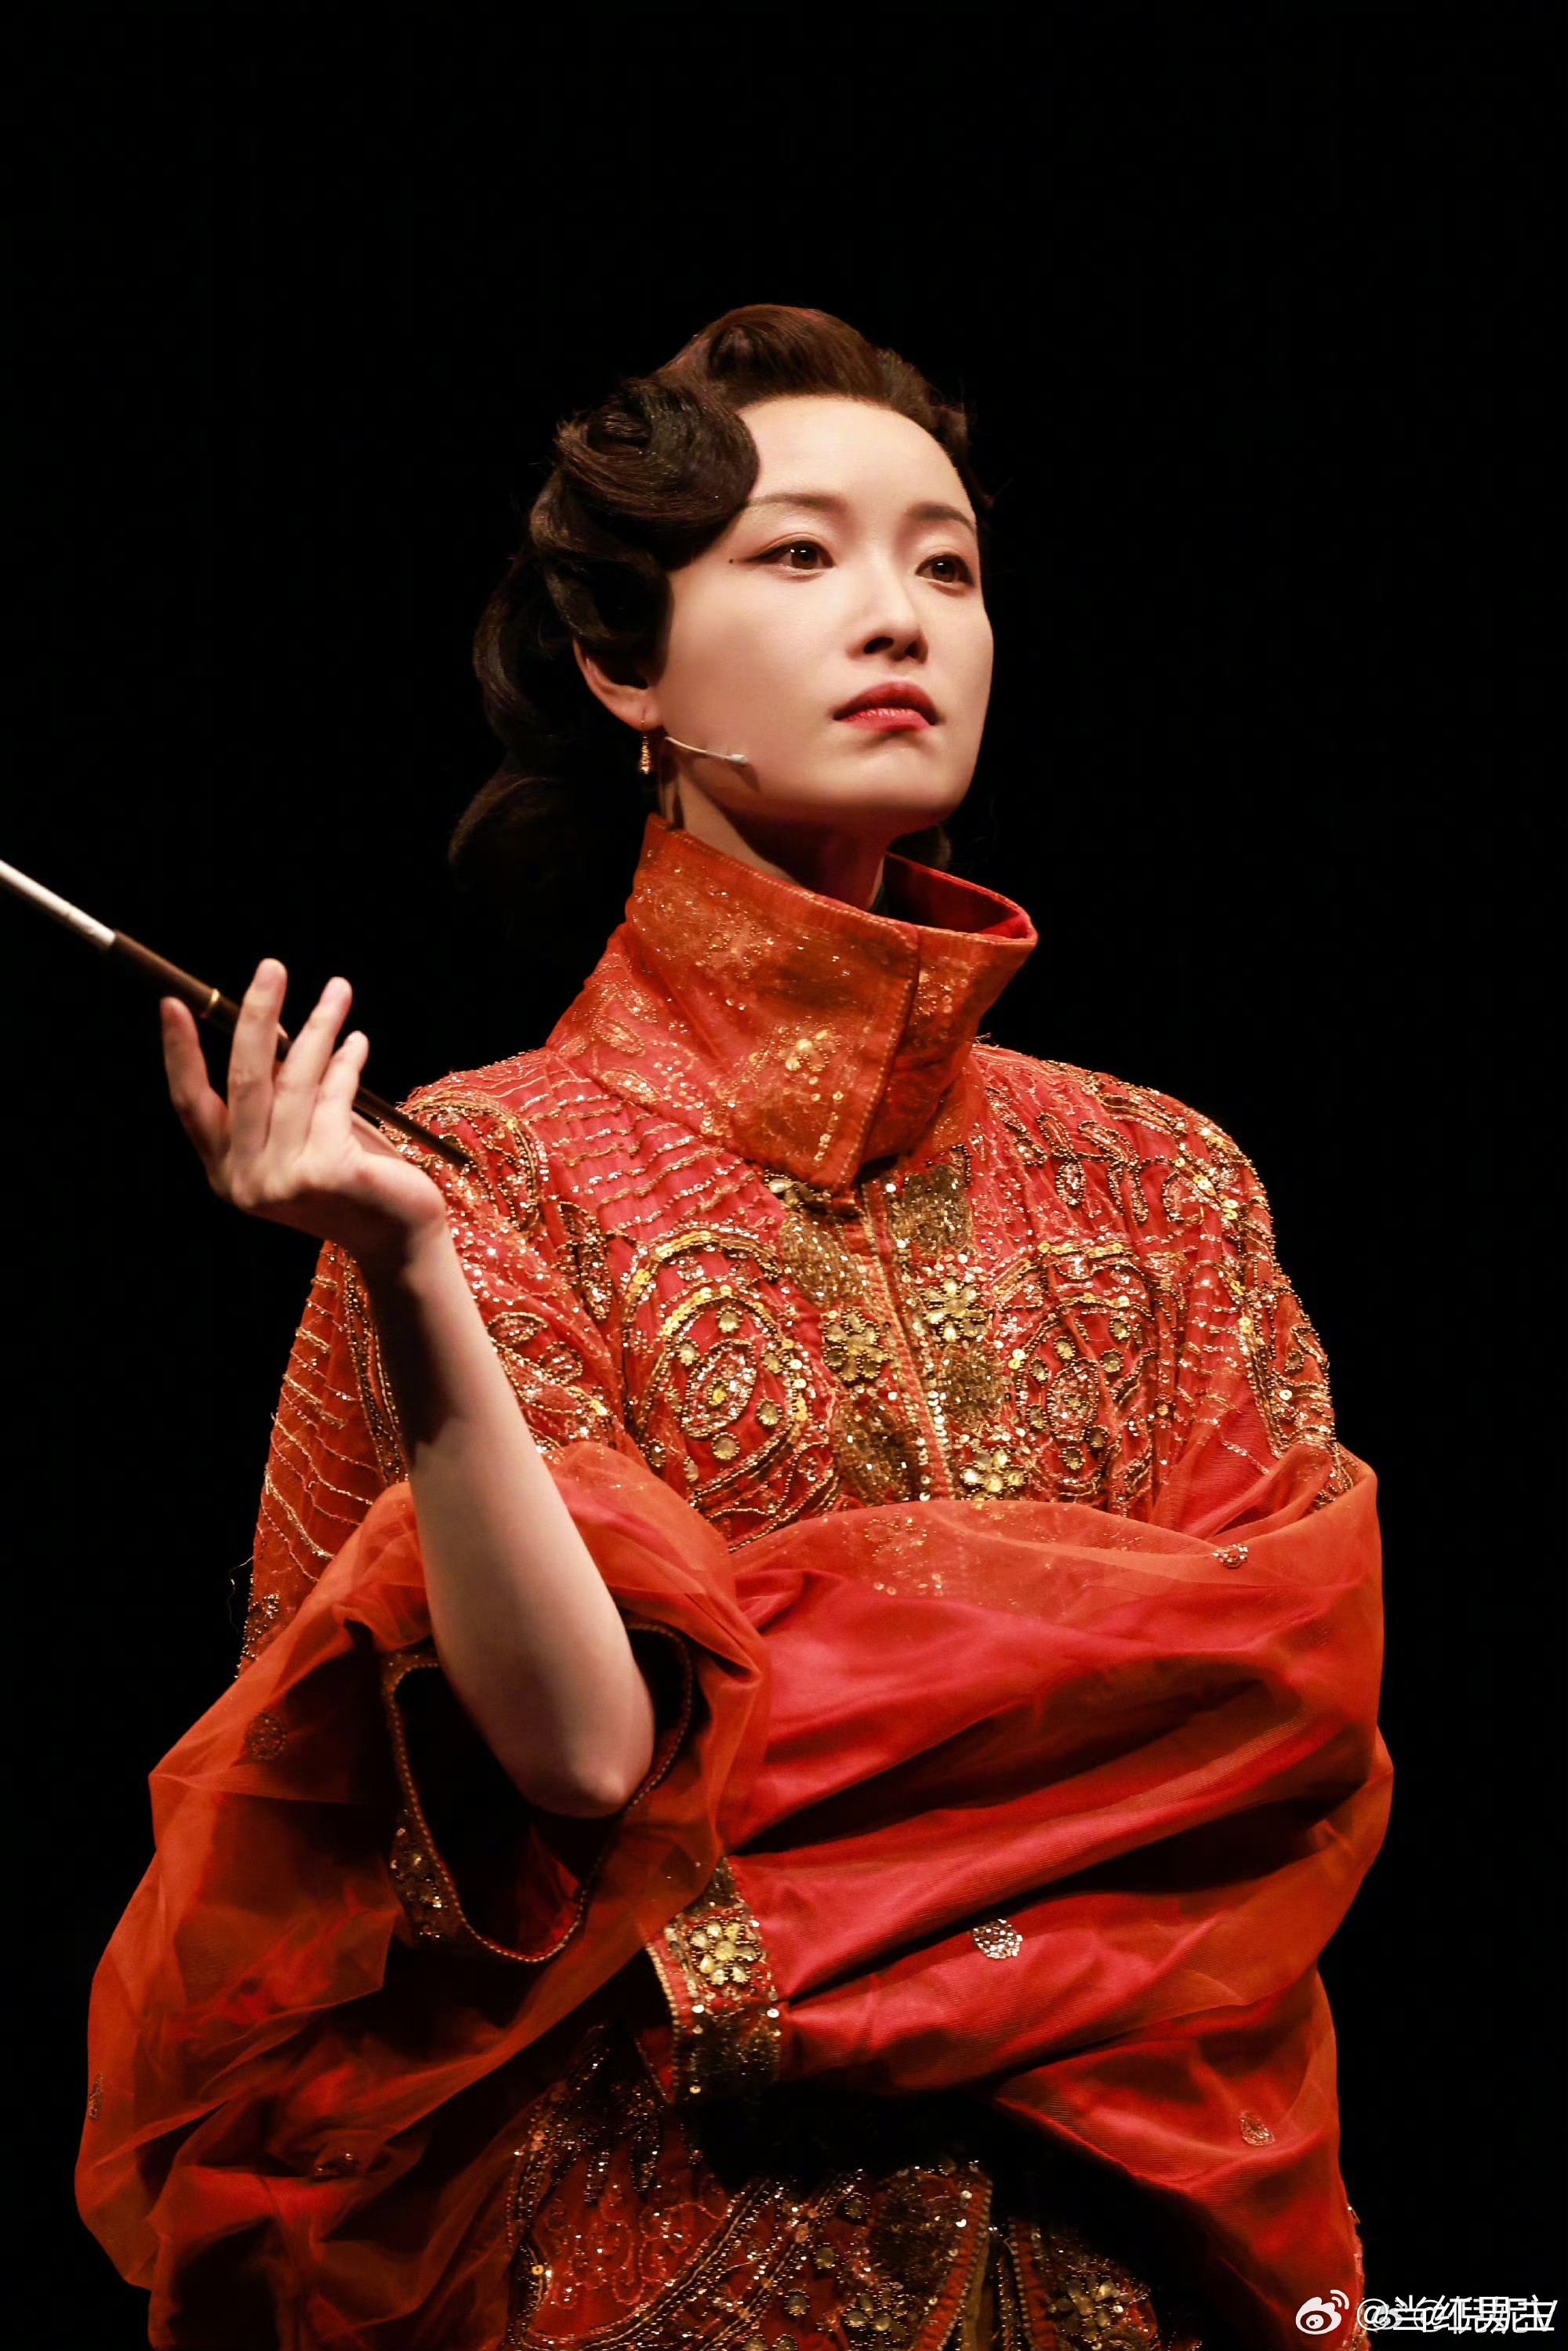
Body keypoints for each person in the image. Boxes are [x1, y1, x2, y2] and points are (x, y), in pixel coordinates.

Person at [77, 305, 1391, 2351]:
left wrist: (754, 1749)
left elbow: (1284, 1708)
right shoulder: (485, 1181)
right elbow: (591, 1756)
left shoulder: (1164, 1181)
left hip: (1146, 2260)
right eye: (799, 555)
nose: (899, 616)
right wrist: (411, 1273)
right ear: (626, 667)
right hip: (663, 2252)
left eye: (946, 565)